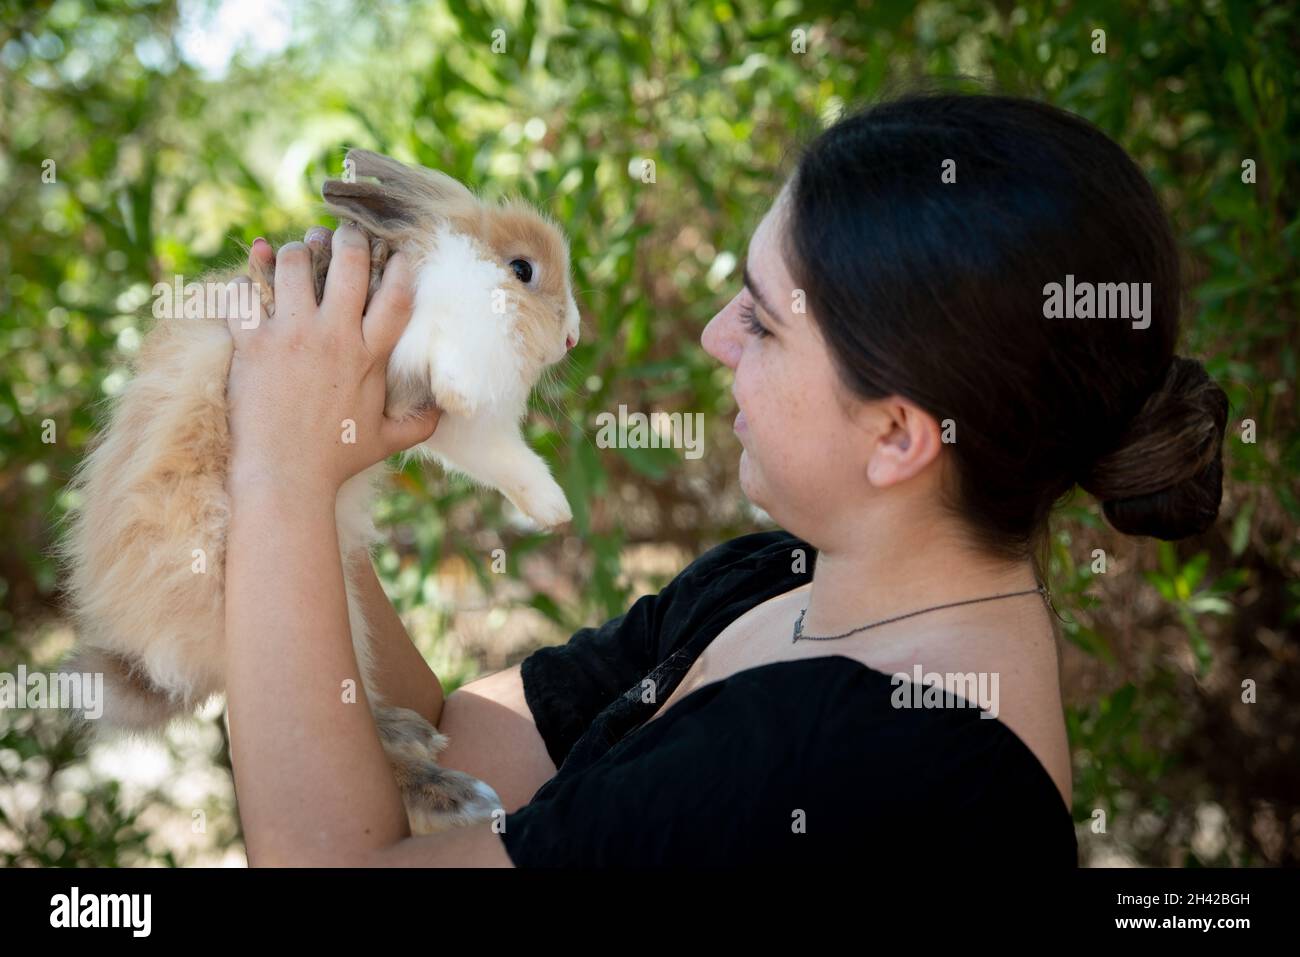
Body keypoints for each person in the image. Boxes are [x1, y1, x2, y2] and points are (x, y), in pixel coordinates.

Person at [221, 92, 1228, 866]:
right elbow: (446, 744)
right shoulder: (776, 581)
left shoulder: (874, 768)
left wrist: (276, 472)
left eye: (762, 321)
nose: (713, 339)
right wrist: (325, 460)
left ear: (895, 436)